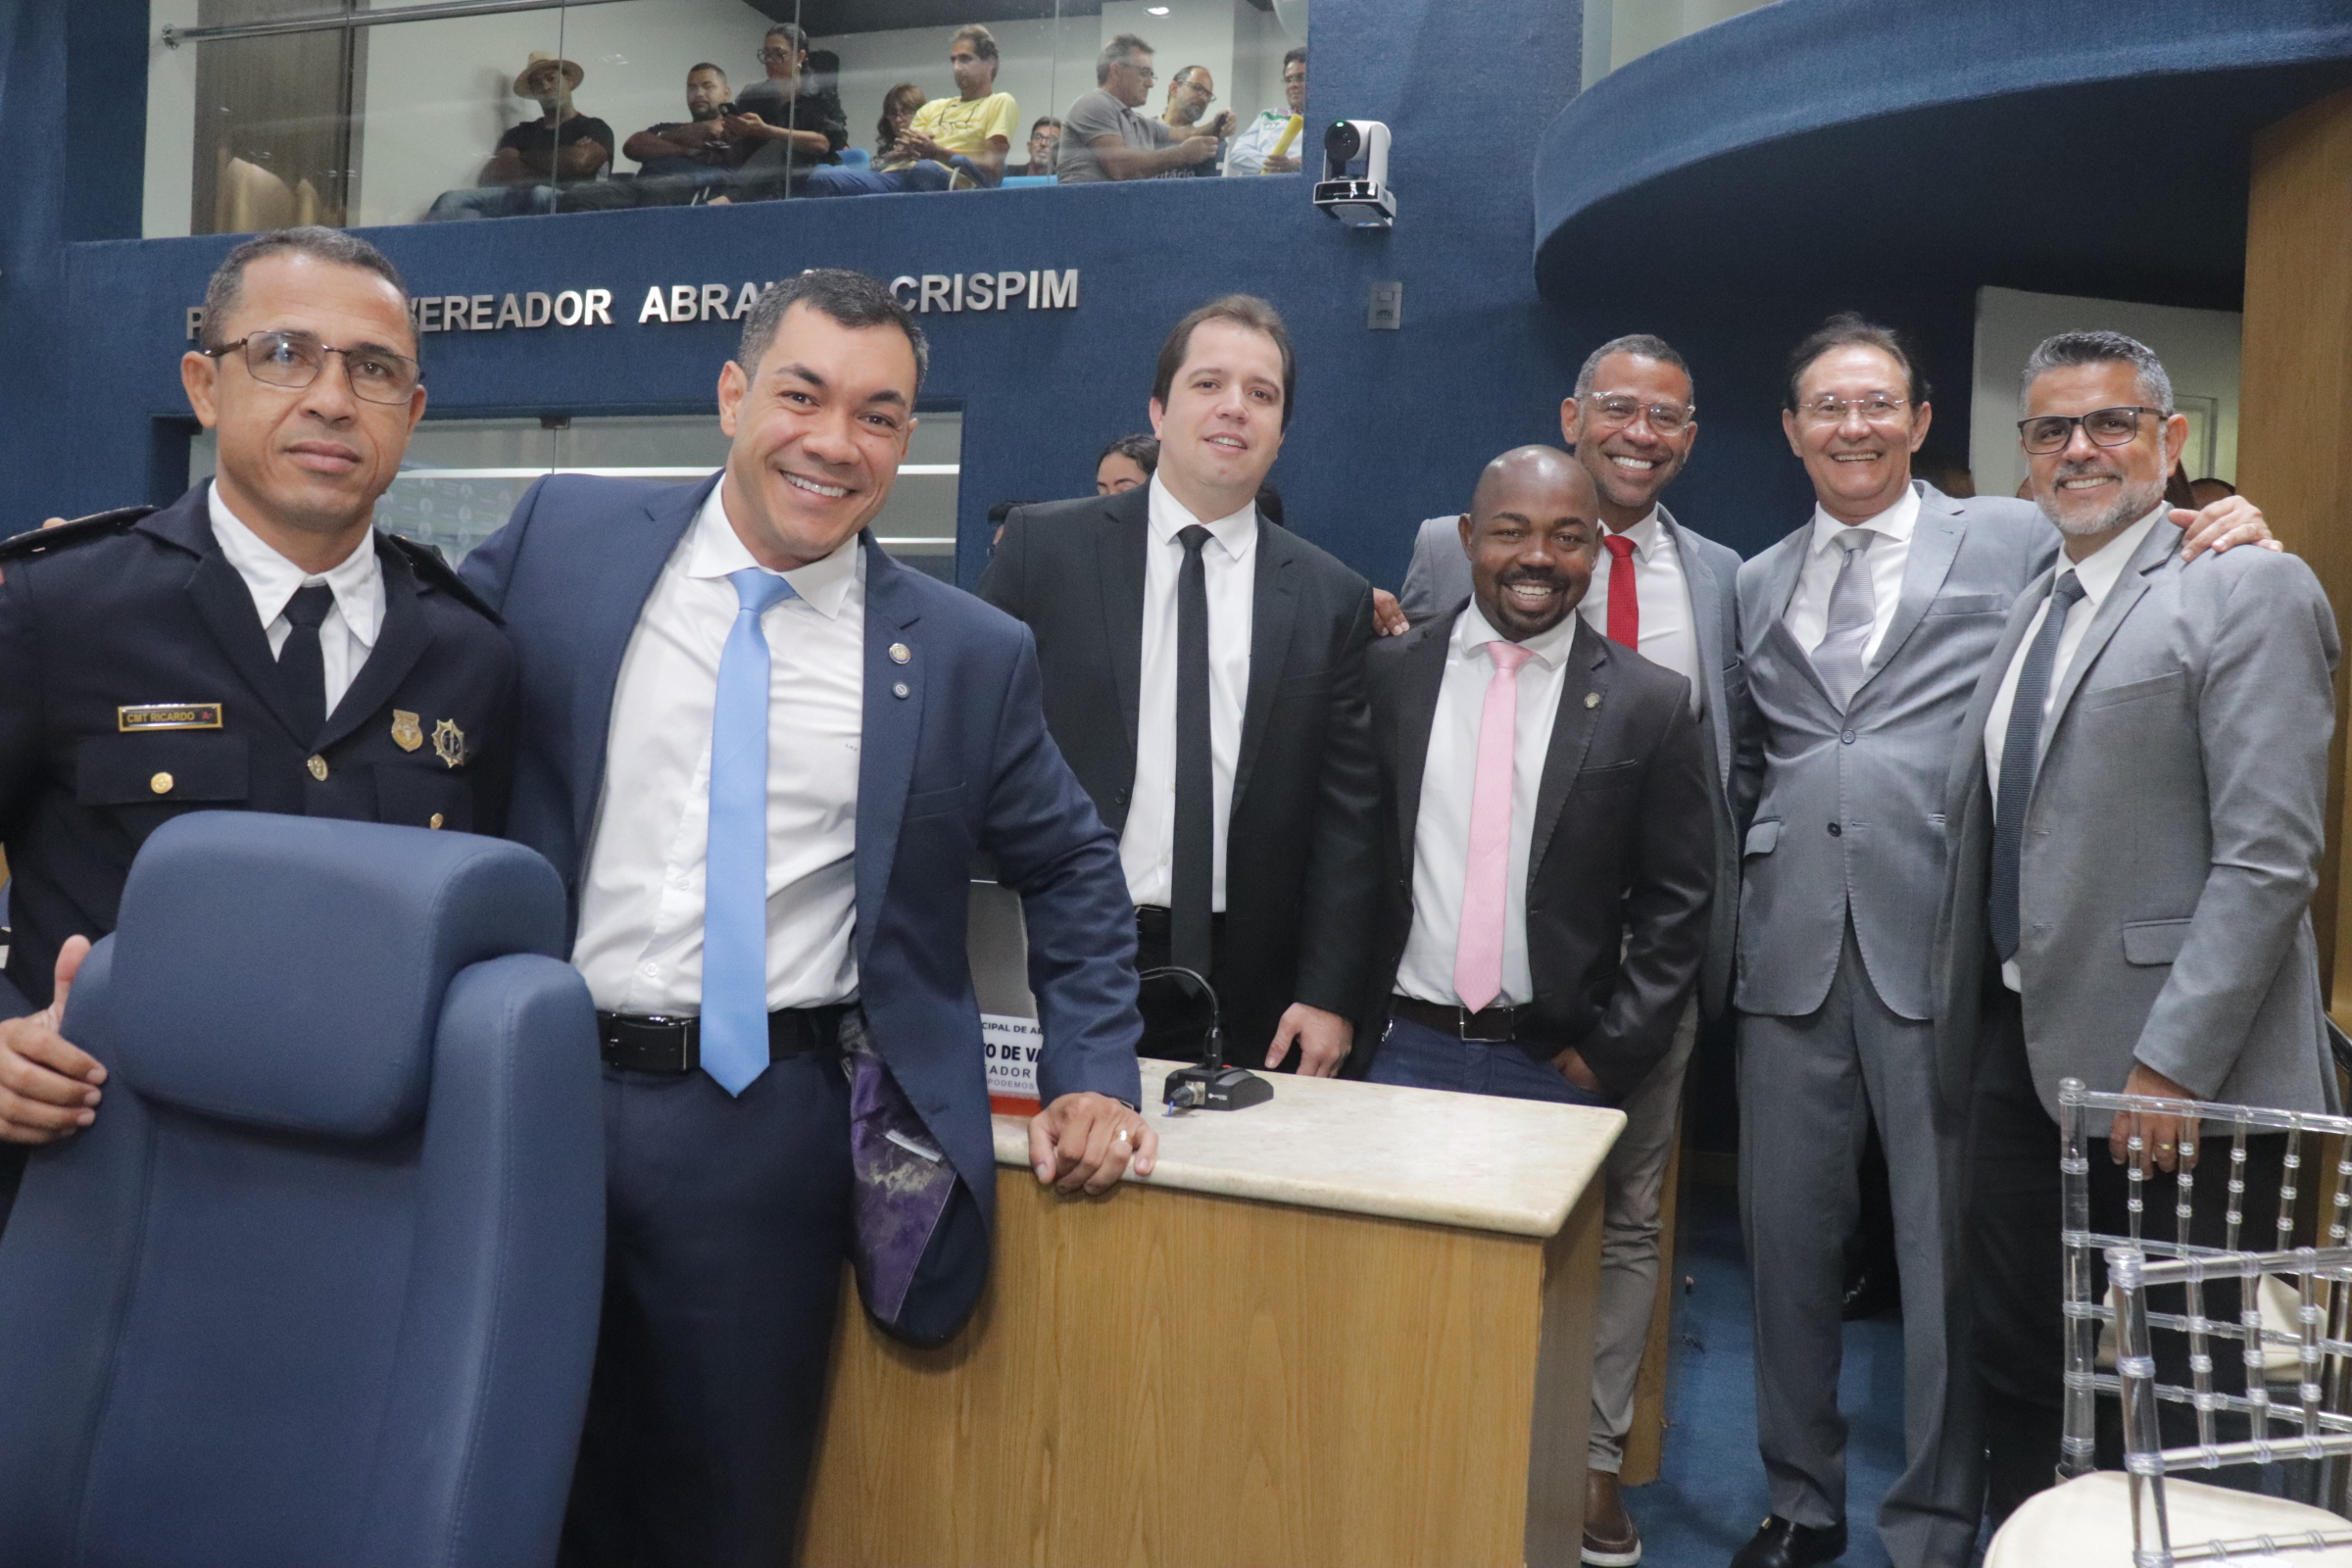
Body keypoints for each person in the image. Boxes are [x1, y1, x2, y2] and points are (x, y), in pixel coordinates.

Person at [459, 270, 1152, 1568]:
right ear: (733, 395)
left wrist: (1093, 1071)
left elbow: (1069, 861)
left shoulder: (965, 654)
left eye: (878, 416)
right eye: (802, 395)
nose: (835, 442)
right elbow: (407, 705)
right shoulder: (563, 541)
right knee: (482, 1476)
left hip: (759, 1131)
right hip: (528, 1089)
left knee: (719, 1512)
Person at [1730, 314, 2272, 1568]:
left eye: (1879, 403)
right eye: (1827, 406)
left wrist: (2238, 520)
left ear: (1921, 421)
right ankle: (1799, 1499)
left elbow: (2142, 540)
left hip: (1948, 956)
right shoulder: (1755, 580)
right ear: (1793, 430)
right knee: (1784, 1249)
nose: (1855, 426)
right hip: (1787, 955)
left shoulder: (2014, 531)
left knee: (1946, 1265)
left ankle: (1934, 1522)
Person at [0, 226, 515, 1227]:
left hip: (366, 1201)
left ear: (410, 413)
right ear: (205, 386)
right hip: (99, 1183)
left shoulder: (472, 655)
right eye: (285, 354)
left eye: (373, 370)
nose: (332, 398)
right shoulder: (58, 610)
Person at [1933, 331, 2337, 1525]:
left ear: (2172, 439)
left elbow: (2270, 858)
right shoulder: (2036, 605)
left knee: (2184, 1400)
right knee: (2026, 1368)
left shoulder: (2248, 584)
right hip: (2025, 1063)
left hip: (2172, 1086)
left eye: (2111, 422)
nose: (2080, 449)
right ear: (2024, 454)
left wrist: (2172, 1065)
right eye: (2052, 429)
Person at [980, 295, 1381, 1079]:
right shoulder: (1042, 551)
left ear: (1281, 433)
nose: (1235, 406)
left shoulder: (1333, 598)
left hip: (1248, 992)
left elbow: (1349, 820)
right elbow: (968, 743)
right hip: (1053, 959)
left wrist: (1329, 993)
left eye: (1261, 393)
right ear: (1159, 411)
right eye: (1208, 383)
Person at [1548, 334, 1748, 1565]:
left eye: (1665, 416)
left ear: (1689, 437)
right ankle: (1477, 1432)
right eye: (1617, 407)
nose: (1639, 431)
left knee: (1631, 1216)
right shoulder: (1467, 538)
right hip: (1492, 960)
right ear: (1572, 414)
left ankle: (1592, 1462)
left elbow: (1739, 764)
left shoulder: (1724, 576)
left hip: (1657, 958)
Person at [1354, 443, 1711, 1113]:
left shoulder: (1649, 704)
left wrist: (1613, 1053)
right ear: (1468, 537)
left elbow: (1677, 901)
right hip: (1396, 1050)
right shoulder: (1387, 674)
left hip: (1554, 1067)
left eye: (1568, 537)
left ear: (1596, 549)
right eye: (1510, 531)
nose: (1539, 557)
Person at [426, 53, 614, 220]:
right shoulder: (520, 132)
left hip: (568, 203)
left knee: (539, 193)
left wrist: (522, 158)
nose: (545, 86)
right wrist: (563, 164)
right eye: (537, 83)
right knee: (450, 200)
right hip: (515, 198)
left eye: (551, 78)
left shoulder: (594, 127)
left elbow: (580, 162)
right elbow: (493, 175)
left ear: (569, 81)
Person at [1056, 35, 1228, 183]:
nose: (1150, 83)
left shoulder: (1138, 122)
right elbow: (1120, 167)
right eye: (1144, 73)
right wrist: (1182, 154)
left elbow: (1186, 135)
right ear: (1116, 71)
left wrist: (1218, 124)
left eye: (1151, 75)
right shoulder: (1094, 103)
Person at [724, 24, 859, 202]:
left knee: (780, 146)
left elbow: (822, 144)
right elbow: (743, 153)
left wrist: (766, 130)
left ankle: (728, 199)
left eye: (779, 54)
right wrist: (735, 136)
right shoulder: (753, 96)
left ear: (800, 56)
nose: (770, 60)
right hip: (761, 173)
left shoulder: (819, 94)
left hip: (807, 168)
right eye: (766, 54)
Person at [898, 25, 1019, 186]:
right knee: (861, 181)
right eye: (953, 60)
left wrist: (938, 153)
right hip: (902, 173)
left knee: (925, 169)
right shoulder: (931, 108)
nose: (956, 67)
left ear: (990, 62)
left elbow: (993, 169)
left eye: (965, 59)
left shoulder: (1000, 102)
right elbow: (900, 153)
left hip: (951, 179)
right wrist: (896, 155)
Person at [605, 63, 737, 207]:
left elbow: (716, 132)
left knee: (659, 191)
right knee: (593, 195)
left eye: (707, 86)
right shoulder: (668, 128)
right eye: (692, 87)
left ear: (726, 93)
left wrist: (663, 140)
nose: (699, 93)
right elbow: (632, 145)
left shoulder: (736, 128)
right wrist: (686, 149)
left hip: (683, 193)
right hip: (641, 187)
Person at [1226, 48, 1307, 176]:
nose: (1293, 85)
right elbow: (1237, 154)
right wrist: (1273, 165)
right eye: (1288, 80)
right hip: (1263, 183)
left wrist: (1298, 166)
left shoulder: (1324, 120)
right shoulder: (1268, 116)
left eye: (1300, 78)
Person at [1155, 66, 1232, 176]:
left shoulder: (1208, 144)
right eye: (1198, 88)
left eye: (1208, 95)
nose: (1204, 98)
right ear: (1174, 89)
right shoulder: (1141, 131)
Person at [873, 82, 926, 161]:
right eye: (892, 113)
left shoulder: (932, 144)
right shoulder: (887, 147)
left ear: (920, 113)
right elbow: (871, 165)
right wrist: (888, 158)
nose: (898, 120)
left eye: (906, 112)